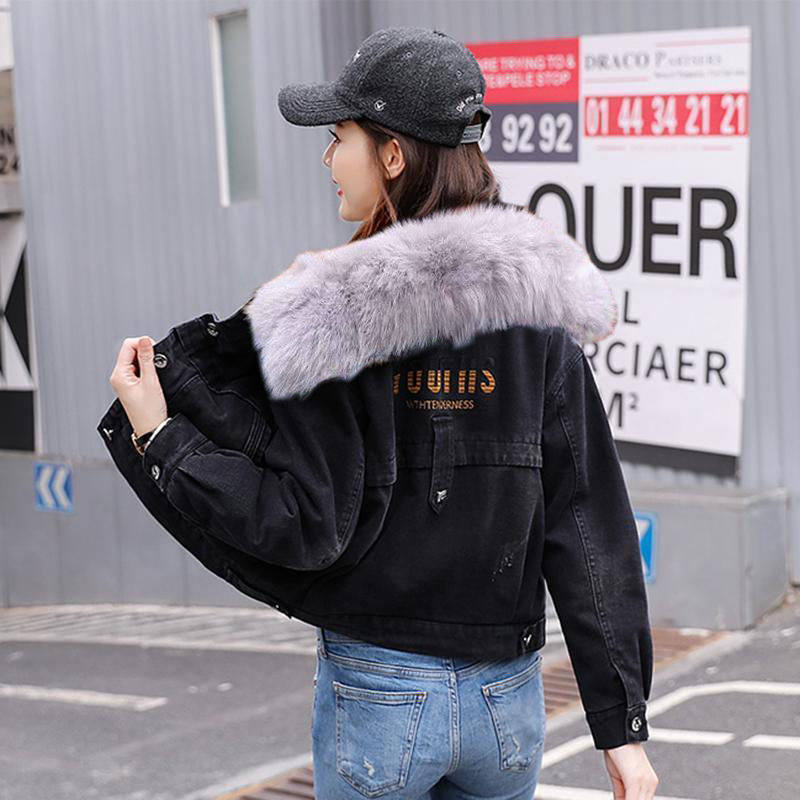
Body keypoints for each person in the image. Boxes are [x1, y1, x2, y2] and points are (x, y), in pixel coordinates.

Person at [109, 26, 658, 800]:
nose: (328, 159)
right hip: (507, 700)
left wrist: (161, 437)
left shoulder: (332, 313)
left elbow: (301, 522)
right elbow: (587, 521)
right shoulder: (538, 310)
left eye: (340, 138)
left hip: (381, 694)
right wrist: (621, 727)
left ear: (392, 155)